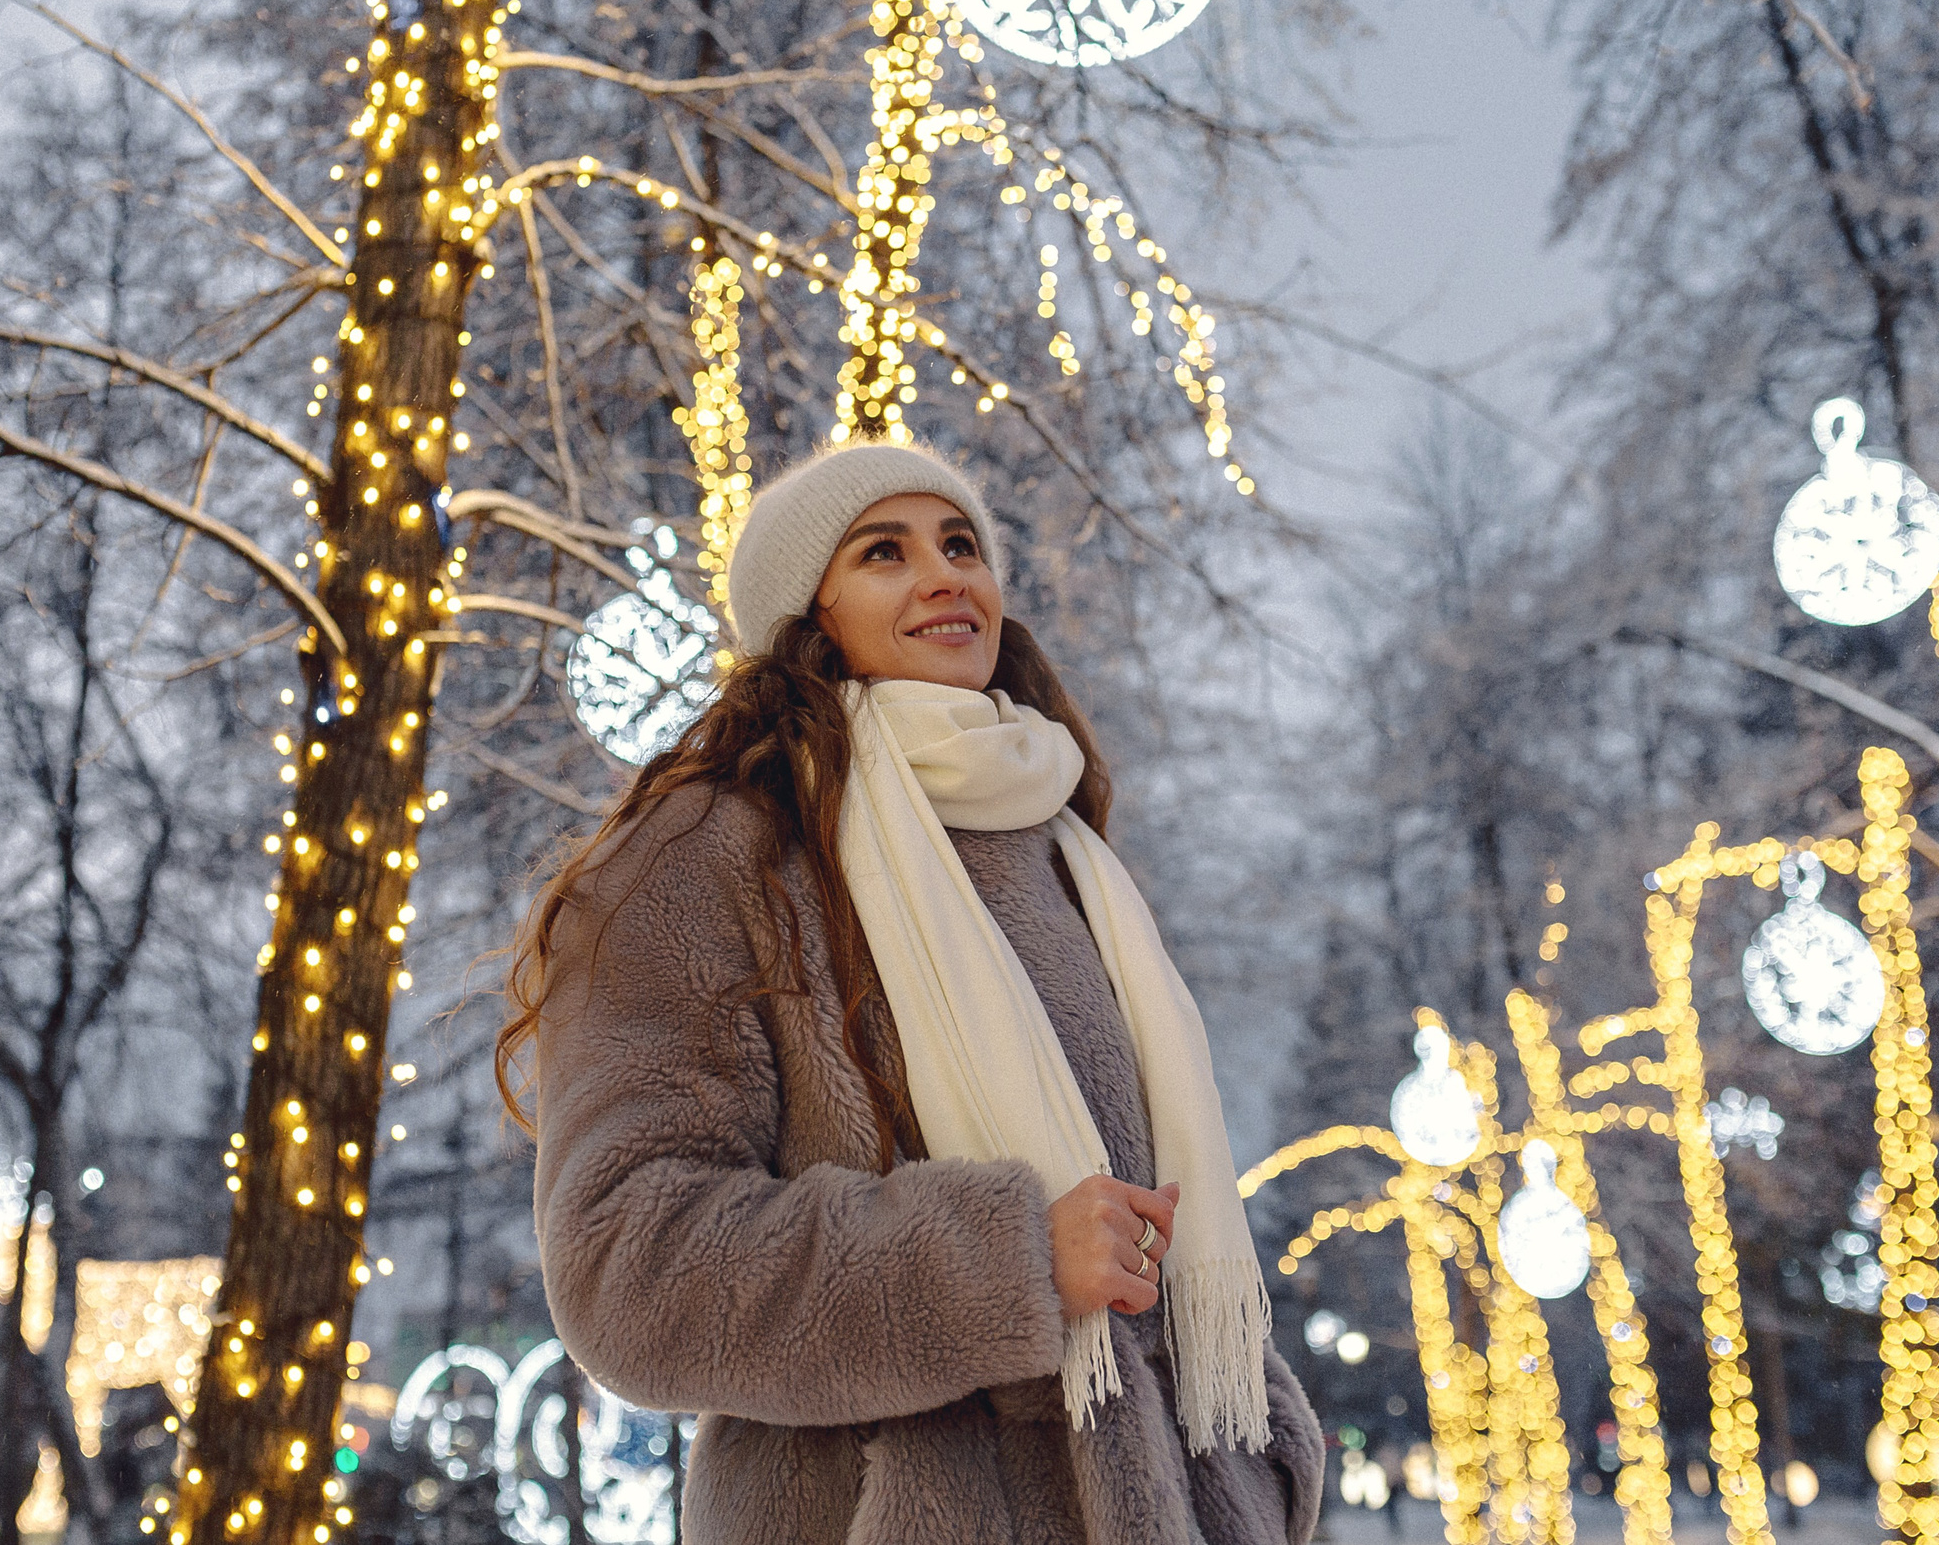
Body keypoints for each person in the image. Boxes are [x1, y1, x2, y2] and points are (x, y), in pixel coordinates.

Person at [502, 442, 1323, 1544]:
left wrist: (1259, 1471)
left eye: (962, 545)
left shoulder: (1064, 854)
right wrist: (1010, 1259)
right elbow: (630, 1264)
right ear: (810, 615)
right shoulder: (701, 859)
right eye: (884, 552)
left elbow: (1160, 1225)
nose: (945, 576)